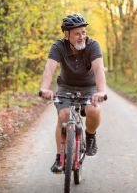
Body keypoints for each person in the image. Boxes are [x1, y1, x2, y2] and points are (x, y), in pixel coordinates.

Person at [39, 13, 107, 173]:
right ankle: (59, 157)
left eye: (83, 32)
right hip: (66, 87)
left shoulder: (93, 45)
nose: (81, 36)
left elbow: (98, 69)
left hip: (88, 87)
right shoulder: (58, 46)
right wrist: (44, 88)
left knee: (93, 109)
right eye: (77, 33)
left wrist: (101, 91)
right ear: (66, 34)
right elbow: (49, 68)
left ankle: (90, 136)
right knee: (63, 116)